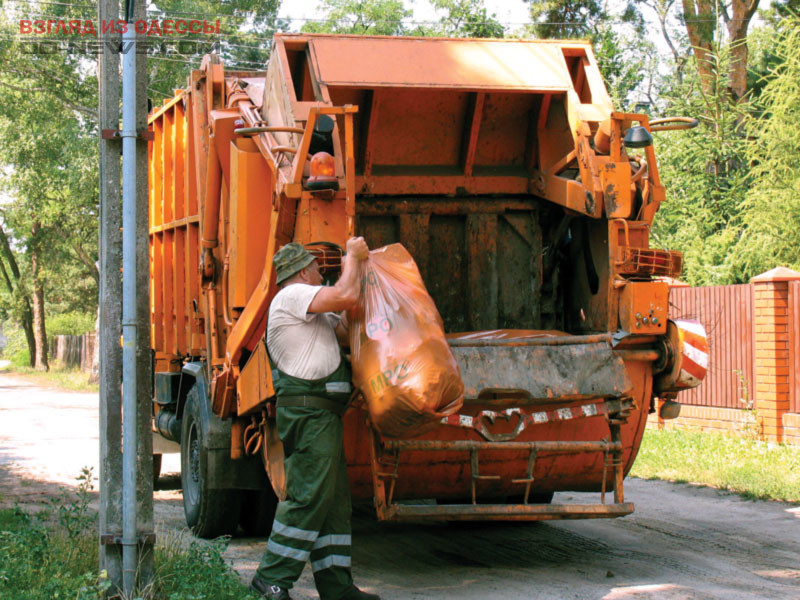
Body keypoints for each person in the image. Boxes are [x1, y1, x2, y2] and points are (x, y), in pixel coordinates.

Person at [250, 237, 380, 600]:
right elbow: (344, 297)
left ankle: (337, 588)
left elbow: (345, 326)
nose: (323, 273)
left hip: (323, 417)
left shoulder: (312, 312)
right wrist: (353, 257)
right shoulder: (289, 297)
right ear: (303, 271)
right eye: (318, 268)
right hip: (310, 417)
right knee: (307, 498)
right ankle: (270, 580)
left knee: (334, 505)